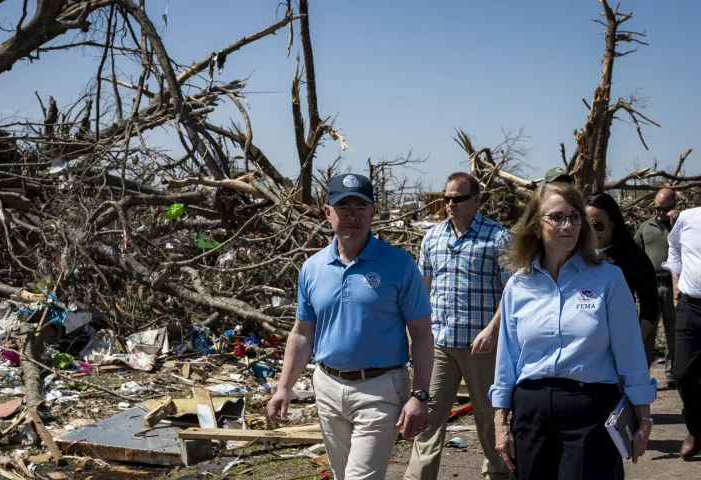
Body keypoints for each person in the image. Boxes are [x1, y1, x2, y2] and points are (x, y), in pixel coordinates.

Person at [267, 174, 435, 480]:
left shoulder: (398, 264)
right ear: (327, 212)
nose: (352, 215)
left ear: (373, 212)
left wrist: (420, 395)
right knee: (342, 474)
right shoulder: (313, 267)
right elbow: (302, 334)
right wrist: (283, 388)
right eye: (343, 206)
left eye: (361, 205)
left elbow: (422, 334)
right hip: (328, 386)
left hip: (380, 388)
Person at [490, 182, 656, 480]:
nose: (567, 225)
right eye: (556, 217)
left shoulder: (608, 278)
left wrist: (643, 416)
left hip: (591, 411)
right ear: (535, 225)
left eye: (575, 217)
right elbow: (507, 359)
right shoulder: (518, 285)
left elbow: (630, 352)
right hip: (531, 413)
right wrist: (501, 422)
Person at [405, 172, 511, 480]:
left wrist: (492, 329)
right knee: (427, 416)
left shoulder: (499, 238)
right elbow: (422, 291)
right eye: (447, 198)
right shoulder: (432, 238)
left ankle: (499, 472)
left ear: (476, 200)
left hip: (483, 347)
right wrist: (415, 335)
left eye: (458, 198)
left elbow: (514, 292)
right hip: (439, 345)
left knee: (489, 416)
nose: (450, 204)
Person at [585, 193, 659, 358]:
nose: (591, 232)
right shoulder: (573, 256)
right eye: (586, 225)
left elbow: (650, 306)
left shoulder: (633, 257)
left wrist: (633, 344)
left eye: (598, 225)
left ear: (612, 223)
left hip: (618, 341)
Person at [661, 206, 701, 459]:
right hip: (690, 305)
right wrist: (676, 283)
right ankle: (696, 430)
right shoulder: (688, 218)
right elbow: (674, 246)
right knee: (683, 373)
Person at [635, 188, 680, 388]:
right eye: (657, 208)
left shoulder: (680, 226)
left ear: (674, 207)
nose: (660, 213)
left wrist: (676, 225)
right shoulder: (645, 227)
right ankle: (642, 374)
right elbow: (634, 255)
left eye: (665, 209)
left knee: (675, 332)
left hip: (674, 287)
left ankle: (673, 374)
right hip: (651, 286)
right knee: (646, 332)